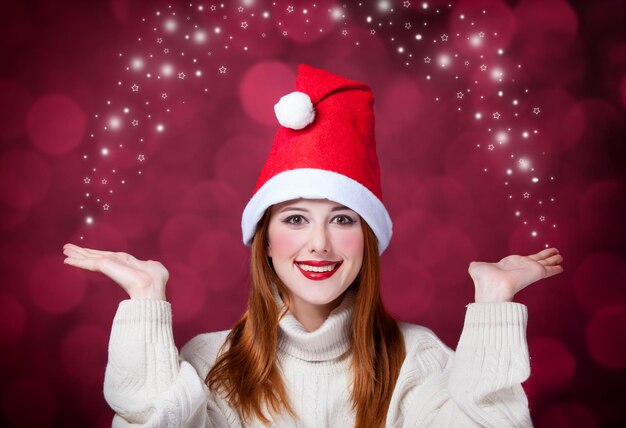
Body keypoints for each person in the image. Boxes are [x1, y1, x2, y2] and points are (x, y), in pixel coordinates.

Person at [63, 64, 564, 427]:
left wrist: (494, 304)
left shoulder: (418, 357)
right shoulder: (208, 362)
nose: (319, 244)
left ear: (367, 241)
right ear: (264, 242)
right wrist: (146, 301)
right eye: (296, 218)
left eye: (342, 218)